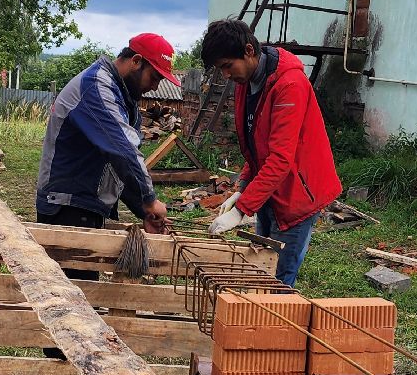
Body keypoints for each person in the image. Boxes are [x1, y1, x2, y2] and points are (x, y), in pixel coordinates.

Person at [202, 19, 341, 288]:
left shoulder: (290, 84)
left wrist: (241, 210)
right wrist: (243, 187)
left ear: (249, 50)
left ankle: (277, 328)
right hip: (268, 189)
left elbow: (280, 159)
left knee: (278, 279)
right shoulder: (248, 82)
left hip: (297, 194)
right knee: (260, 268)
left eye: (227, 66)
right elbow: (256, 144)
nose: (226, 76)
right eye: (221, 69)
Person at [34, 34, 178, 276]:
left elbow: (119, 165)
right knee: (70, 300)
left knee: (82, 297)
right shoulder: (97, 87)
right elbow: (122, 150)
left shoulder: (123, 98)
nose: (155, 86)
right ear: (136, 61)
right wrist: (150, 198)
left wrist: (145, 210)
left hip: (84, 206)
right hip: (67, 207)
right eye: (154, 77)